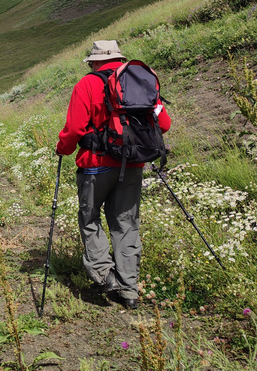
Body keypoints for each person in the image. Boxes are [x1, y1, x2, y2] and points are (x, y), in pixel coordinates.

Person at [55, 40, 171, 310]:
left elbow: (73, 129)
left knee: (90, 218)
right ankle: (129, 290)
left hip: (96, 165)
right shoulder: (140, 80)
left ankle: (104, 274)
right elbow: (163, 124)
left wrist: (62, 148)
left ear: (95, 62)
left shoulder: (87, 84)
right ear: (119, 58)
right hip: (132, 165)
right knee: (126, 224)